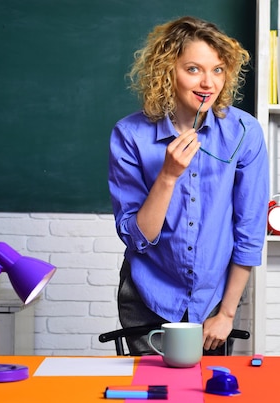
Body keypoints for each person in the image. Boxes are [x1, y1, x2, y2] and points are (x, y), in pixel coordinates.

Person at [108, 16, 268, 355]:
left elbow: (250, 231)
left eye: (218, 70)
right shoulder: (130, 135)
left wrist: (226, 313)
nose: (208, 83)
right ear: (168, 72)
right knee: (152, 393)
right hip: (148, 301)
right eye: (194, 69)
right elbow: (136, 238)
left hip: (213, 306)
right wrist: (167, 175)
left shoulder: (244, 133)